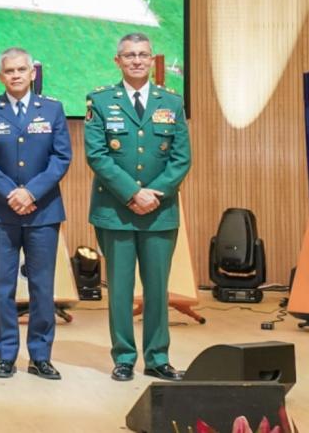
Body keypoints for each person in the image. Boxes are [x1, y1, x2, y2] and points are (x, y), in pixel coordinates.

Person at [85, 32, 191, 382]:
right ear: (118, 61)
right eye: (129, 55)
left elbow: (181, 159)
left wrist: (153, 194)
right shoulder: (100, 101)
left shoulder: (171, 103)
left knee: (158, 289)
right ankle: (124, 358)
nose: (136, 61)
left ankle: (158, 358)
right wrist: (132, 193)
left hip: (159, 213)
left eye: (143, 55)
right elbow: (97, 155)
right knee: (119, 288)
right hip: (116, 211)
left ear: (152, 59)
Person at [0, 47, 71, 380]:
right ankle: (6, 355)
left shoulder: (53, 109)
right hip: (0, 212)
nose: (15, 75)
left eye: (21, 69)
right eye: (9, 71)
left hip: (43, 212)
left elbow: (61, 158)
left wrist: (32, 192)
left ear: (32, 73)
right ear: (1, 77)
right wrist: (12, 193)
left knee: (42, 287)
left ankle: (41, 356)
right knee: (2, 287)